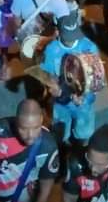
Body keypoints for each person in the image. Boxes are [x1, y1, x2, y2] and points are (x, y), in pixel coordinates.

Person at [0, 99, 59, 202]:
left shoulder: (48, 146)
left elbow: (45, 191)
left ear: (41, 120)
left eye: (35, 128)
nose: (30, 135)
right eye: (23, 129)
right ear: (16, 122)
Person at [39, 10, 99, 147]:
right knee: (60, 133)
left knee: (84, 133)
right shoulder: (51, 50)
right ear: (58, 33)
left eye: (75, 35)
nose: (73, 40)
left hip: (84, 101)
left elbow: (97, 78)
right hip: (61, 102)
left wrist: (84, 97)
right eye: (68, 37)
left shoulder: (89, 47)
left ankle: (79, 149)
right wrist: (51, 87)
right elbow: (47, 74)